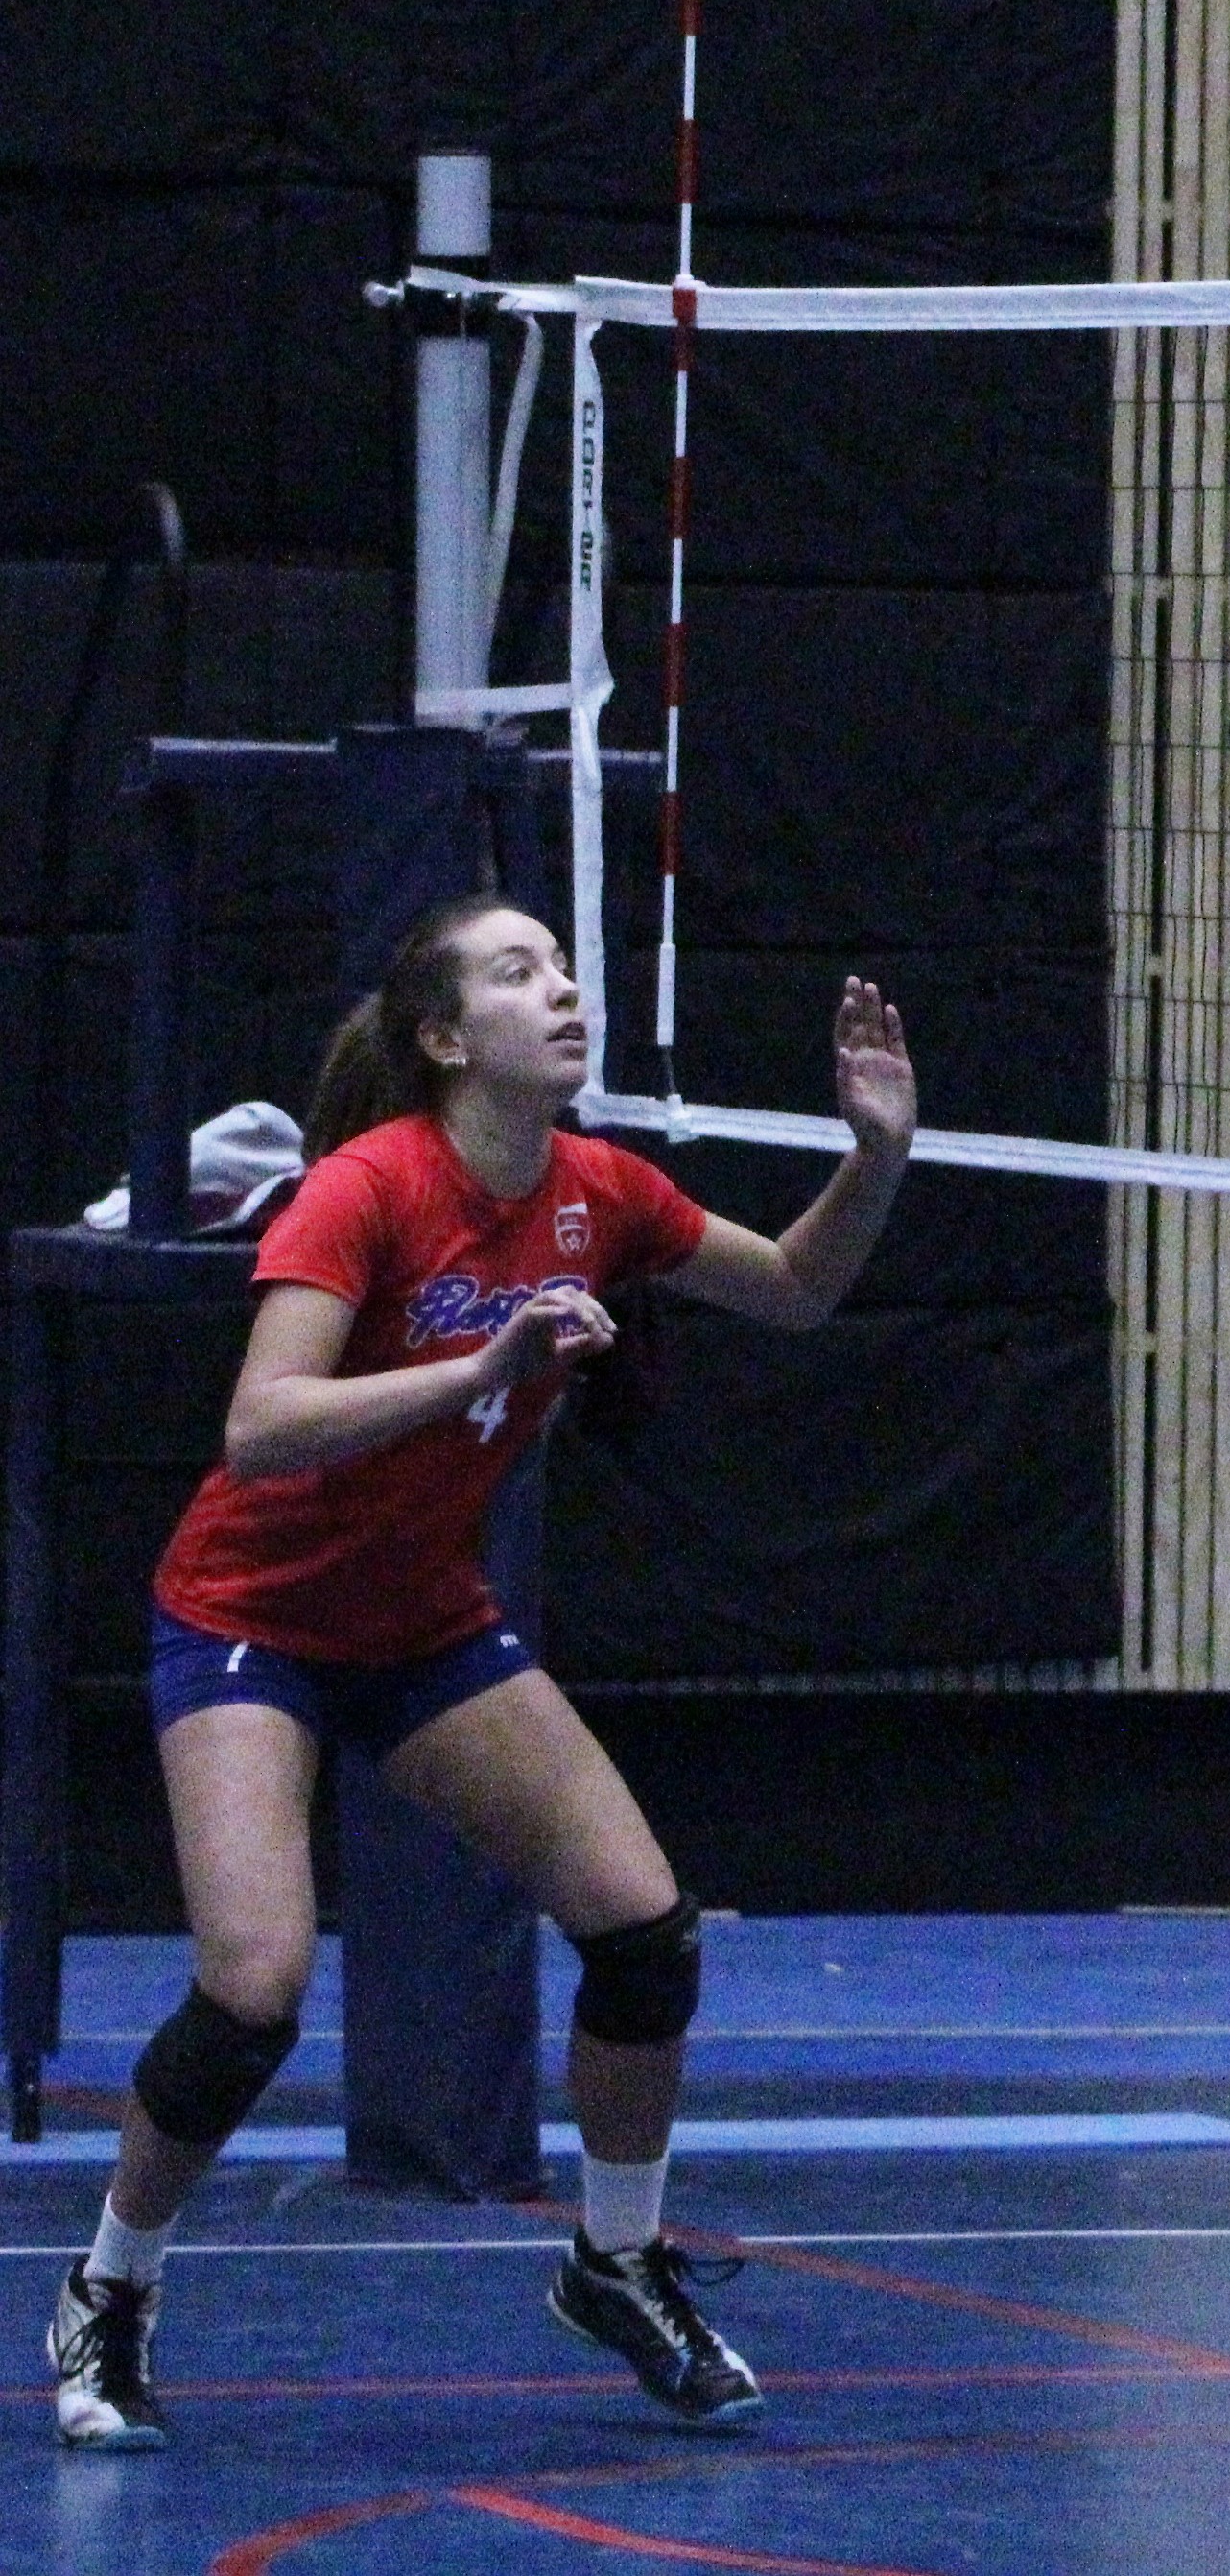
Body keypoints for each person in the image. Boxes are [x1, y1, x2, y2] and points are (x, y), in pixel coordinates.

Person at [54, 895, 912, 2452]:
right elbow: (260, 1426)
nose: (564, 991)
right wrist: (485, 1364)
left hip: (421, 1625)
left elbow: (797, 1286)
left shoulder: (598, 1191)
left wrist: (876, 1158)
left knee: (643, 1933)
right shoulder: (369, 1189)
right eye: (521, 973)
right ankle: (110, 2289)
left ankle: (616, 2261)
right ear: (447, 1038)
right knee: (252, 1990)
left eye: (565, 968)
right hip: (251, 1616)